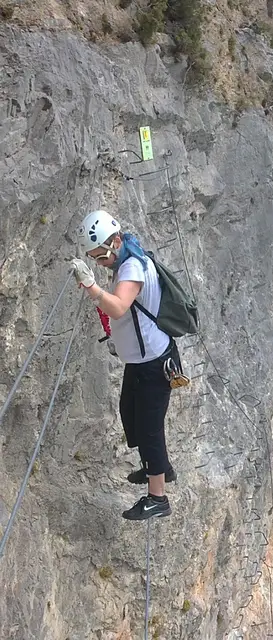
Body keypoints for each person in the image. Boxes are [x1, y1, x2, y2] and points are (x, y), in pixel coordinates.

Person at [71, 210, 177, 520]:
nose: (100, 263)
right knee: (129, 414)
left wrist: (91, 286)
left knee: (149, 428)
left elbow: (118, 307)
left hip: (152, 363)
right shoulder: (129, 253)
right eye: (95, 259)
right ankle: (157, 468)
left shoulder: (131, 267)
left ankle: (158, 498)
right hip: (142, 359)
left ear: (115, 242)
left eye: (101, 257)